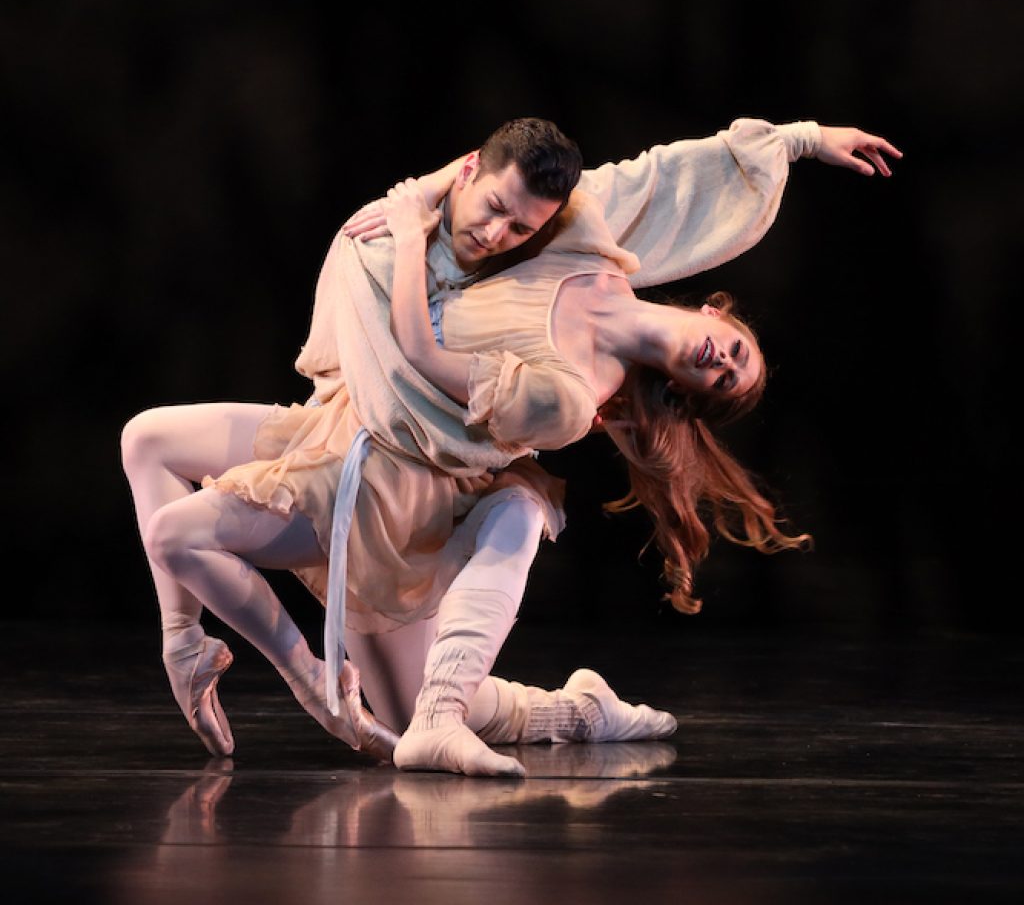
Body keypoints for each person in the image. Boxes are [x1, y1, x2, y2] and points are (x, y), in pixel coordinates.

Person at [121, 116, 901, 771]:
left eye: (725, 384)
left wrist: (401, 223)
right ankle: (187, 642)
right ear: (722, 314)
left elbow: (419, 360)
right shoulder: (584, 245)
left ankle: (331, 685)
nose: (722, 363)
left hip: (401, 478)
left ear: (691, 397)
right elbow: (658, 178)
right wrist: (800, 139)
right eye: (737, 351)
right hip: (342, 422)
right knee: (147, 438)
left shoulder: (572, 393)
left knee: (190, 544)